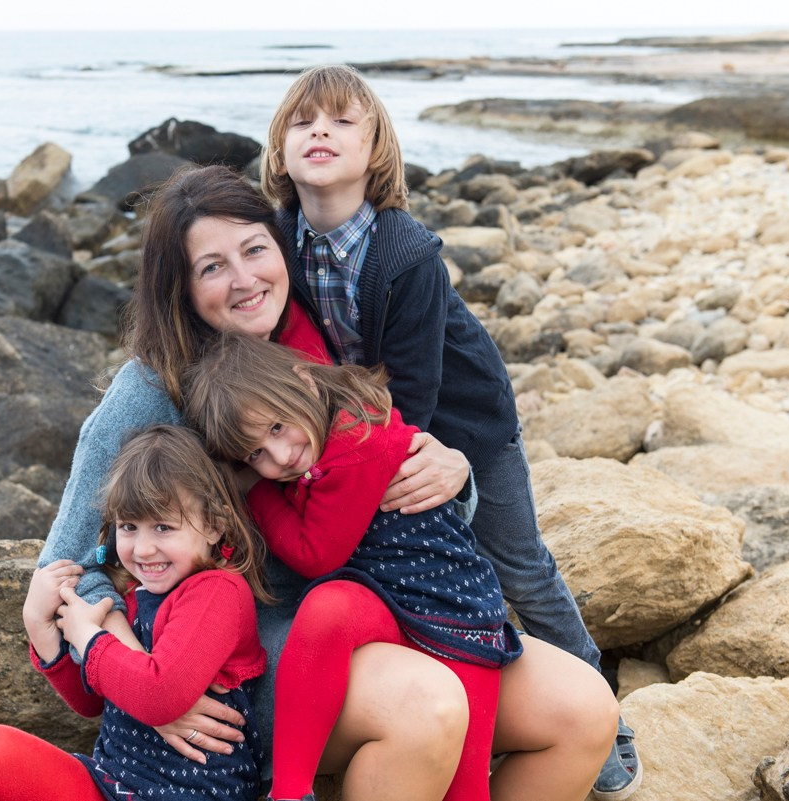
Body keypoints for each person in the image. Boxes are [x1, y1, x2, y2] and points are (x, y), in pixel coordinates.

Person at [38, 164, 618, 801]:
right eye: (211, 267)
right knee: (425, 709)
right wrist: (146, 677)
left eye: (255, 250)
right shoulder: (149, 393)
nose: (244, 279)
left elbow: (388, 478)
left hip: (385, 606)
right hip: (253, 658)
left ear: (280, 248)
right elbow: (64, 565)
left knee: (584, 712)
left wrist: (455, 474)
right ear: (179, 288)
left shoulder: (324, 341)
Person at [262, 64, 641, 800]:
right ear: (278, 152)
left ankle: (606, 720)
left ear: (376, 154)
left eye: (343, 122)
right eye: (303, 123)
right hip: (373, 420)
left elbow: (417, 392)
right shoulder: (277, 242)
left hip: (464, 423)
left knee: (520, 566)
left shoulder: (407, 257)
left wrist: (443, 462)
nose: (321, 133)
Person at [184, 331, 522, 801]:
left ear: (306, 379)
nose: (280, 457)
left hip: (453, 612)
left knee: (467, 789)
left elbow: (315, 554)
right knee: (327, 610)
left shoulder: (357, 441)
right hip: (387, 596)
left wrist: (255, 490)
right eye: (255, 455)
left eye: (278, 427)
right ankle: (290, 791)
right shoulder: (322, 437)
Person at [0, 425, 270, 801]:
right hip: (111, 785)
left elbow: (160, 696)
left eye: (163, 527)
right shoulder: (133, 598)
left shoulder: (218, 593)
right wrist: (39, 625)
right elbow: (91, 701)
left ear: (214, 526)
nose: (142, 549)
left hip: (191, 794)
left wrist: (89, 636)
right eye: (128, 527)